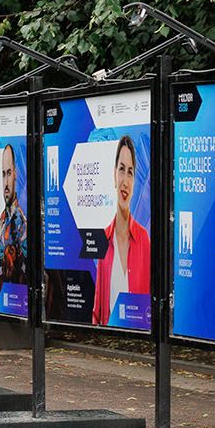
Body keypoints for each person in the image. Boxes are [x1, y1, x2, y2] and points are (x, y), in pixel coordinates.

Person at [93, 136, 151, 326]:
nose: (125, 180)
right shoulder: (103, 239)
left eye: (130, 172)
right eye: (121, 170)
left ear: (134, 182)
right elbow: (97, 311)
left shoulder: (143, 238)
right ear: (114, 177)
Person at [0, 143, 27, 291]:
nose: (6, 183)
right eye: (3, 174)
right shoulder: (1, 221)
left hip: (16, 301)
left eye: (9, 173)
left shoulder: (21, 223)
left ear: (15, 174)